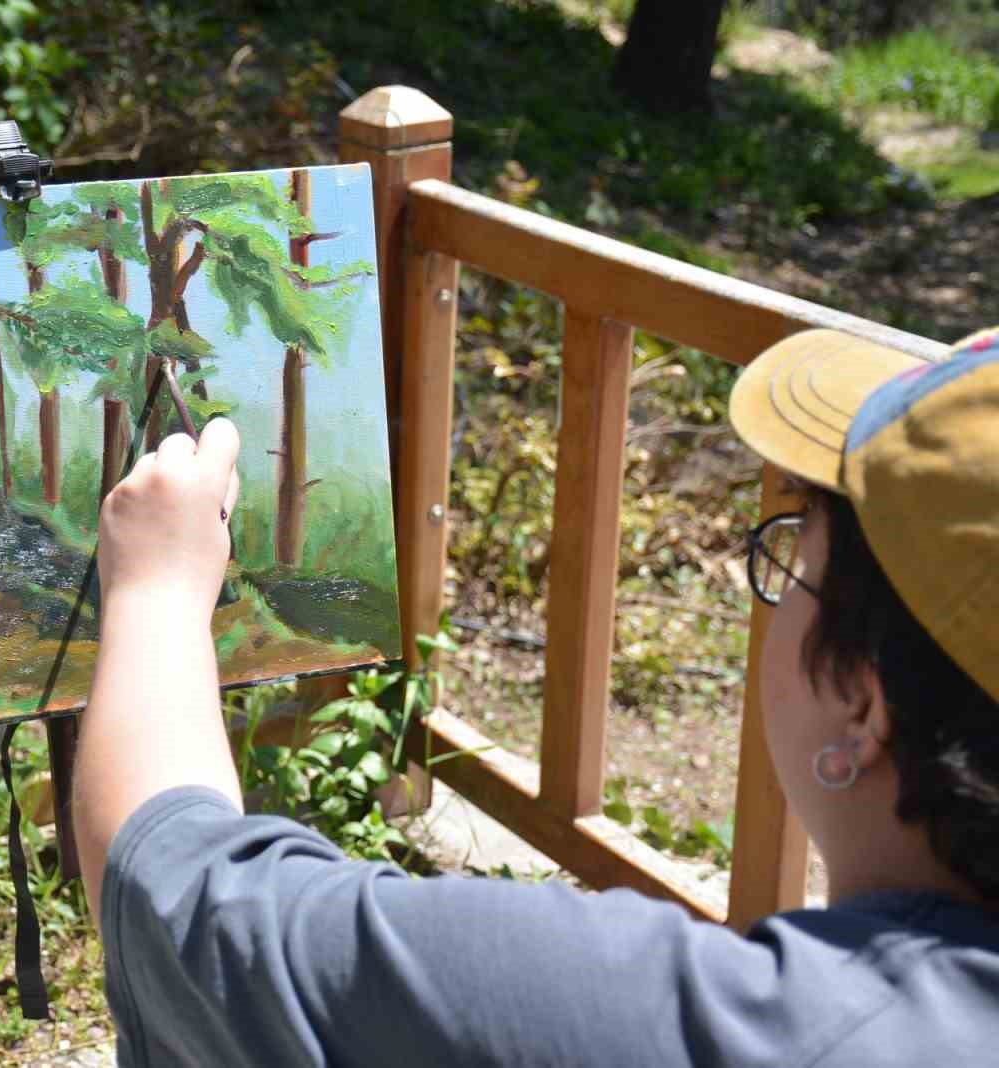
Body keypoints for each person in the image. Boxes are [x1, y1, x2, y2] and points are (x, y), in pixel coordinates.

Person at [71, 325, 999, 1066]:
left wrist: (156, 587)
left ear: (862, 701)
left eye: (793, 555)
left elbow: (176, 899)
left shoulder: (652, 1015)